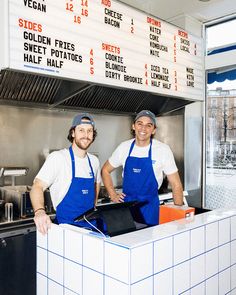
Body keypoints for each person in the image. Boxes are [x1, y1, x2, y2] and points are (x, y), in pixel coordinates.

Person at [101, 110, 183, 226]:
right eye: (140, 123)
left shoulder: (163, 150)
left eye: (148, 125)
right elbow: (105, 170)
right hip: (127, 209)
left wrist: (178, 217)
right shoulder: (124, 147)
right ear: (133, 126)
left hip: (149, 209)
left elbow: (176, 184)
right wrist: (112, 194)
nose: (143, 128)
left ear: (154, 129)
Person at [30, 113, 101, 235]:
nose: (86, 135)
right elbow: (37, 186)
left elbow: (97, 183)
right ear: (73, 133)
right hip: (66, 230)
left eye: (89, 131)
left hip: (91, 228)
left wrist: (94, 205)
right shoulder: (58, 158)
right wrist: (40, 211)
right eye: (81, 130)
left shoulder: (94, 161)